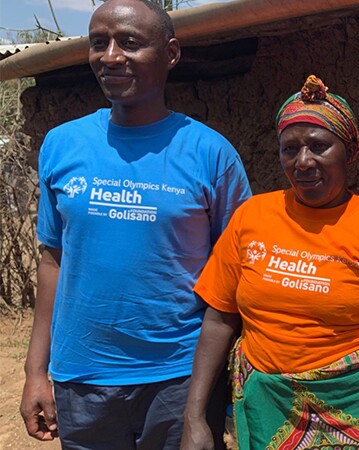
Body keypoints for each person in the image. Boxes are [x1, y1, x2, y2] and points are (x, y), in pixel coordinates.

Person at [19, 0, 252, 448]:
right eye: (98, 43)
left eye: (129, 43)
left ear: (170, 54)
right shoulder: (62, 144)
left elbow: (236, 273)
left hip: (179, 377)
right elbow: (53, 259)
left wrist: (223, 389)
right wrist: (35, 371)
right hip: (81, 378)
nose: (110, 57)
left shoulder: (210, 153)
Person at [180, 74, 359, 450]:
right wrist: (195, 417)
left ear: (350, 152)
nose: (303, 162)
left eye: (319, 146)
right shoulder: (251, 216)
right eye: (290, 149)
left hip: (351, 409)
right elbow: (219, 318)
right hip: (264, 408)